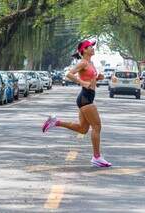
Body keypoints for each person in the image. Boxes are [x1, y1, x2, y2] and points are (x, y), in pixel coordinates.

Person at [42, 40, 112, 168]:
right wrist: (82, 83)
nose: (92, 48)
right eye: (90, 46)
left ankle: (56, 122)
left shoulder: (90, 63)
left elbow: (90, 78)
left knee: (83, 129)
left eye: (92, 46)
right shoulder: (83, 63)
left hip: (87, 97)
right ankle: (97, 157)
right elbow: (68, 74)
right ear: (84, 50)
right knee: (97, 126)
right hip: (85, 98)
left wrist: (98, 78)